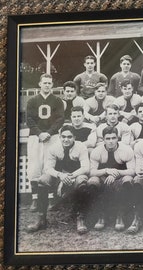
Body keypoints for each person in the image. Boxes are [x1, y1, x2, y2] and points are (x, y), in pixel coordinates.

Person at [27, 125, 90, 234]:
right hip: (59, 176)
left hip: (76, 175)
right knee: (43, 180)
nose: (66, 139)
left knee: (82, 182)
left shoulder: (81, 147)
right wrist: (60, 176)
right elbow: (48, 168)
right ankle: (41, 218)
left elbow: (85, 168)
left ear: (74, 137)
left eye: (69, 137)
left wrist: (70, 176)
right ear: (60, 137)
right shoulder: (54, 148)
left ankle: (81, 219)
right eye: (63, 137)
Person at [26, 73, 64, 212]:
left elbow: (60, 119)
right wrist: (39, 133)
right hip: (36, 137)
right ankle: (35, 199)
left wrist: (49, 132)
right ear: (40, 84)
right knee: (35, 166)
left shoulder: (57, 101)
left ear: (52, 85)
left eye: (49, 83)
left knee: (50, 165)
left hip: (52, 136)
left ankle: (50, 198)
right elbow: (29, 120)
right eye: (45, 82)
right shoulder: (32, 100)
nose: (47, 85)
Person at [88, 126, 136, 232]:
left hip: (121, 176)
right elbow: (91, 172)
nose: (111, 141)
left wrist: (117, 173)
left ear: (117, 138)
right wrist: (106, 170)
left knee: (128, 180)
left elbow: (132, 171)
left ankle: (120, 215)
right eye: (108, 138)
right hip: (103, 177)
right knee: (92, 181)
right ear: (103, 139)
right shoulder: (97, 151)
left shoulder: (126, 150)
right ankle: (101, 215)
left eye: (113, 138)